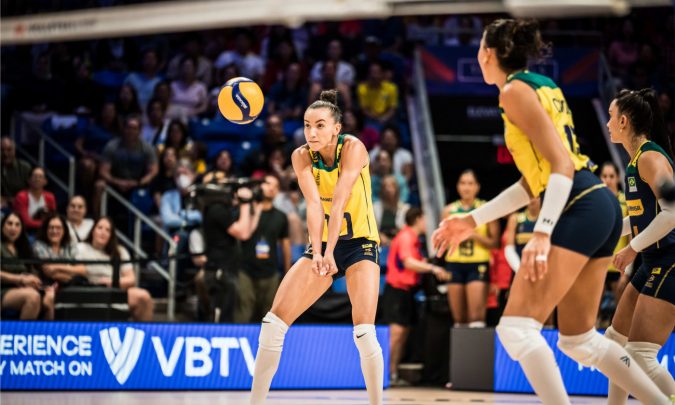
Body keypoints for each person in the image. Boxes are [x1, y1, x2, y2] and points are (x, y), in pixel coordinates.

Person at [431, 19, 669, 404]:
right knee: (579, 340)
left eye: (479, 47)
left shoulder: (513, 91)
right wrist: (472, 220)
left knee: (515, 329)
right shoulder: (544, 86)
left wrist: (541, 232)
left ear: (488, 53)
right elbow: (534, 182)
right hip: (598, 203)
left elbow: (560, 165)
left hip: (580, 202)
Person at [249, 90, 383, 405]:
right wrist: (319, 251)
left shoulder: (354, 148)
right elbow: (312, 205)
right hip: (323, 243)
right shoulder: (299, 156)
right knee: (272, 325)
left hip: (359, 243)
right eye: (308, 125)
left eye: (320, 125)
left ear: (337, 128)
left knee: (364, 332)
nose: (312, 132)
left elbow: (338, 202)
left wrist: (330, 251)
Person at [604, 88, 675, 404]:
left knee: (641, 354)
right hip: (652, 259)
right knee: (615, 344)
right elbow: (641, 218)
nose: (607, 124)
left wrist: (631, 247)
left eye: (610, 117)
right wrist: (605, 237)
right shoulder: (636, 160)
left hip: (670, 259)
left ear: (622, 121)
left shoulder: (649, 157)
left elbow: (673, 212)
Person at [382, 207, 449, 386]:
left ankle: (393, 374)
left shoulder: (414, 240)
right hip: (397, 290)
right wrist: (433, 268)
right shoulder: (405, 236)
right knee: (395, 335)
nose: (428, 223)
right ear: (418, 219)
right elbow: (408, 262)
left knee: (402, 334)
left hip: (408, 292)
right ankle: (383, 375)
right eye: (425, 219)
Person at [443, 169, 499, 328]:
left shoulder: (485, 208)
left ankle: (476, 353)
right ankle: (461, 352)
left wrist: (473, 235)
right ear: (458, 186)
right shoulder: (449, 211)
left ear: (477, 187)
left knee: (476, 317)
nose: (466, 187)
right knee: (459, 319)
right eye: (463, 183)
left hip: (478, 264)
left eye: (470, 183)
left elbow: (495, 243)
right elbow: (442, 241)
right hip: (454, 264)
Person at [201, 184, 262, 323]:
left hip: (227, 267)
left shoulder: (221, 210)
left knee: (228, 313)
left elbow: (247, 231)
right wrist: (245, 203)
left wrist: (256, 211)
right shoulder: (216, 209)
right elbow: (243, 233)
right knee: (220, 314)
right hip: (219, 269)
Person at [75, 217, 154, 322]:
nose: (103, 232)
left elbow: (131, 279)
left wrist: (112, 282)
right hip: (88, 291)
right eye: (100, 228)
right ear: (93, 230)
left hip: (114, 291)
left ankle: (145, 335)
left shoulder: (120, 251)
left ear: (111, 235)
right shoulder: (79, 248)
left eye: (108, 230)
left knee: (144, 297)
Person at [235, 175, 291, 323]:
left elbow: (285, 246)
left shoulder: (281, 217)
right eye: (267, 183)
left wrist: (287, 275)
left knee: (269, 319)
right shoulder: (247, 211)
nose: (271, 188)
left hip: (270, 273)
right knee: (242, 315)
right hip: (245, 270)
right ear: (259, 186)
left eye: (276, 186)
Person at [33, 213, 85, 320]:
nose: (54, 231)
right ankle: (49, 332)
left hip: (69, 284)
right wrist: (70, 270)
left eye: (58, 228)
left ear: (64, 230)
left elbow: (82, 269)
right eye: (51, 227)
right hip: (45, 283)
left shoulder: (70, 245)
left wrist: (57, 267)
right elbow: (48, 271)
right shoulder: (39, 245)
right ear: (46, 230)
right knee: (49, 299)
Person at [599, 162, 632, 306]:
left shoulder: (626, 202)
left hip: (619, 264)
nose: (608, 180)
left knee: (621, 308)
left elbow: (632, 236)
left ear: (618, 178)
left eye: (611, 176)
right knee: (592, 310)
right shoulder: (595, 202)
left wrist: (629, 269)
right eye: (604, 176)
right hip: (598, 263)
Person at [0, 213, 42, 320]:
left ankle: (45, 334)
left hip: (21, 288)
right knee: (32, 297)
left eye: (17, 225)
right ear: (2, 226)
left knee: (49, 298)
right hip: (3, 289)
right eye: (9, 224)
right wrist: (20, 279)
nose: (13, 228)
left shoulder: (24, 247)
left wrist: (38, 283)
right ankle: (21, 335)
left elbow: (32, 271)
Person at [503, 197, 541, 273]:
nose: (532, 199)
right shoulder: (515, 218)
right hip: (519, 266)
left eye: (536, 197)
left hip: (542, 267)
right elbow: (509, 248)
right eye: (530, 196)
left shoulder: (548, 220)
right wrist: (519, 270)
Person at [13, 166, 57, 231]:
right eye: (35, 176)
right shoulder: (21, 196)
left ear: (45, 181)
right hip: (26, 231)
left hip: (45, 231)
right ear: (29, 180)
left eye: (40, 177)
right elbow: (25, 222)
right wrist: (47, 224)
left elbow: (54, 218)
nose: (37, 179)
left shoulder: (50, 197)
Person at [1, 137, 32, 210]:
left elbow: (31, 193)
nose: (5, 154)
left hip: (22, 207)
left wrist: (9, 200)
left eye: (9, 150)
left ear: (14, 150)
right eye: (2, 150)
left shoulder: (25, 168)